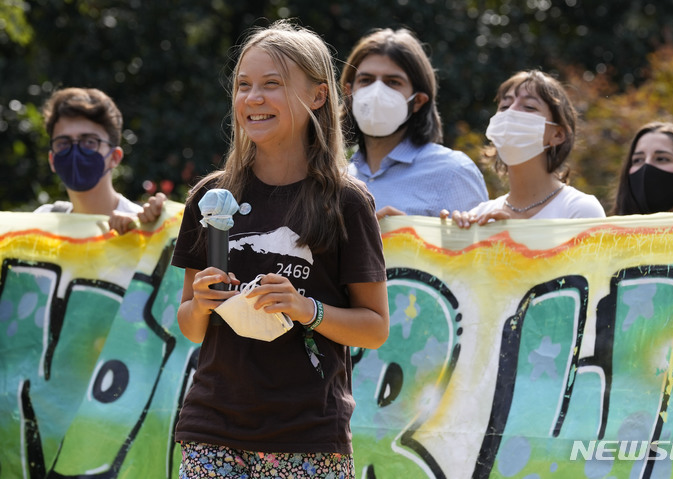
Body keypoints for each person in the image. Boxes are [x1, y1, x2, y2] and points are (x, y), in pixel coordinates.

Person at [170, 20, 389, 478]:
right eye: (243, 85)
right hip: (210, 431)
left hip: (309, 437)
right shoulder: (209, 197)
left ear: (318, 95)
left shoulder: (345, 202)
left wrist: (307, 308)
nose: (253, 98)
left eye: (272, 85)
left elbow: (374, 328)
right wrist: (204, 303)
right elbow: (190, 325)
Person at [340, 27, 489, 219]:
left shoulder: (453, 172)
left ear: (418, 101)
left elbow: (479, 247)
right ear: (349, 93)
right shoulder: (335, 177)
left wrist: (409, 236)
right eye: (366, 80)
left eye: (393, 82)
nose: (376, 92)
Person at [441, 70, 606, 227]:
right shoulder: (480, 216)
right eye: (504, 106)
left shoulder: (580, 211)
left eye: (529, 107)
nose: (511, 112)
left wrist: (512, 238)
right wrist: (454, 241)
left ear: (557, 134)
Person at [35, 87, 165, 234]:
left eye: (89, 142)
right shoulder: (41, 225)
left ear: (115, 157)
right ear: (52, 159)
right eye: (63, 143)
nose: (76, 152)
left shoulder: (143, 227)